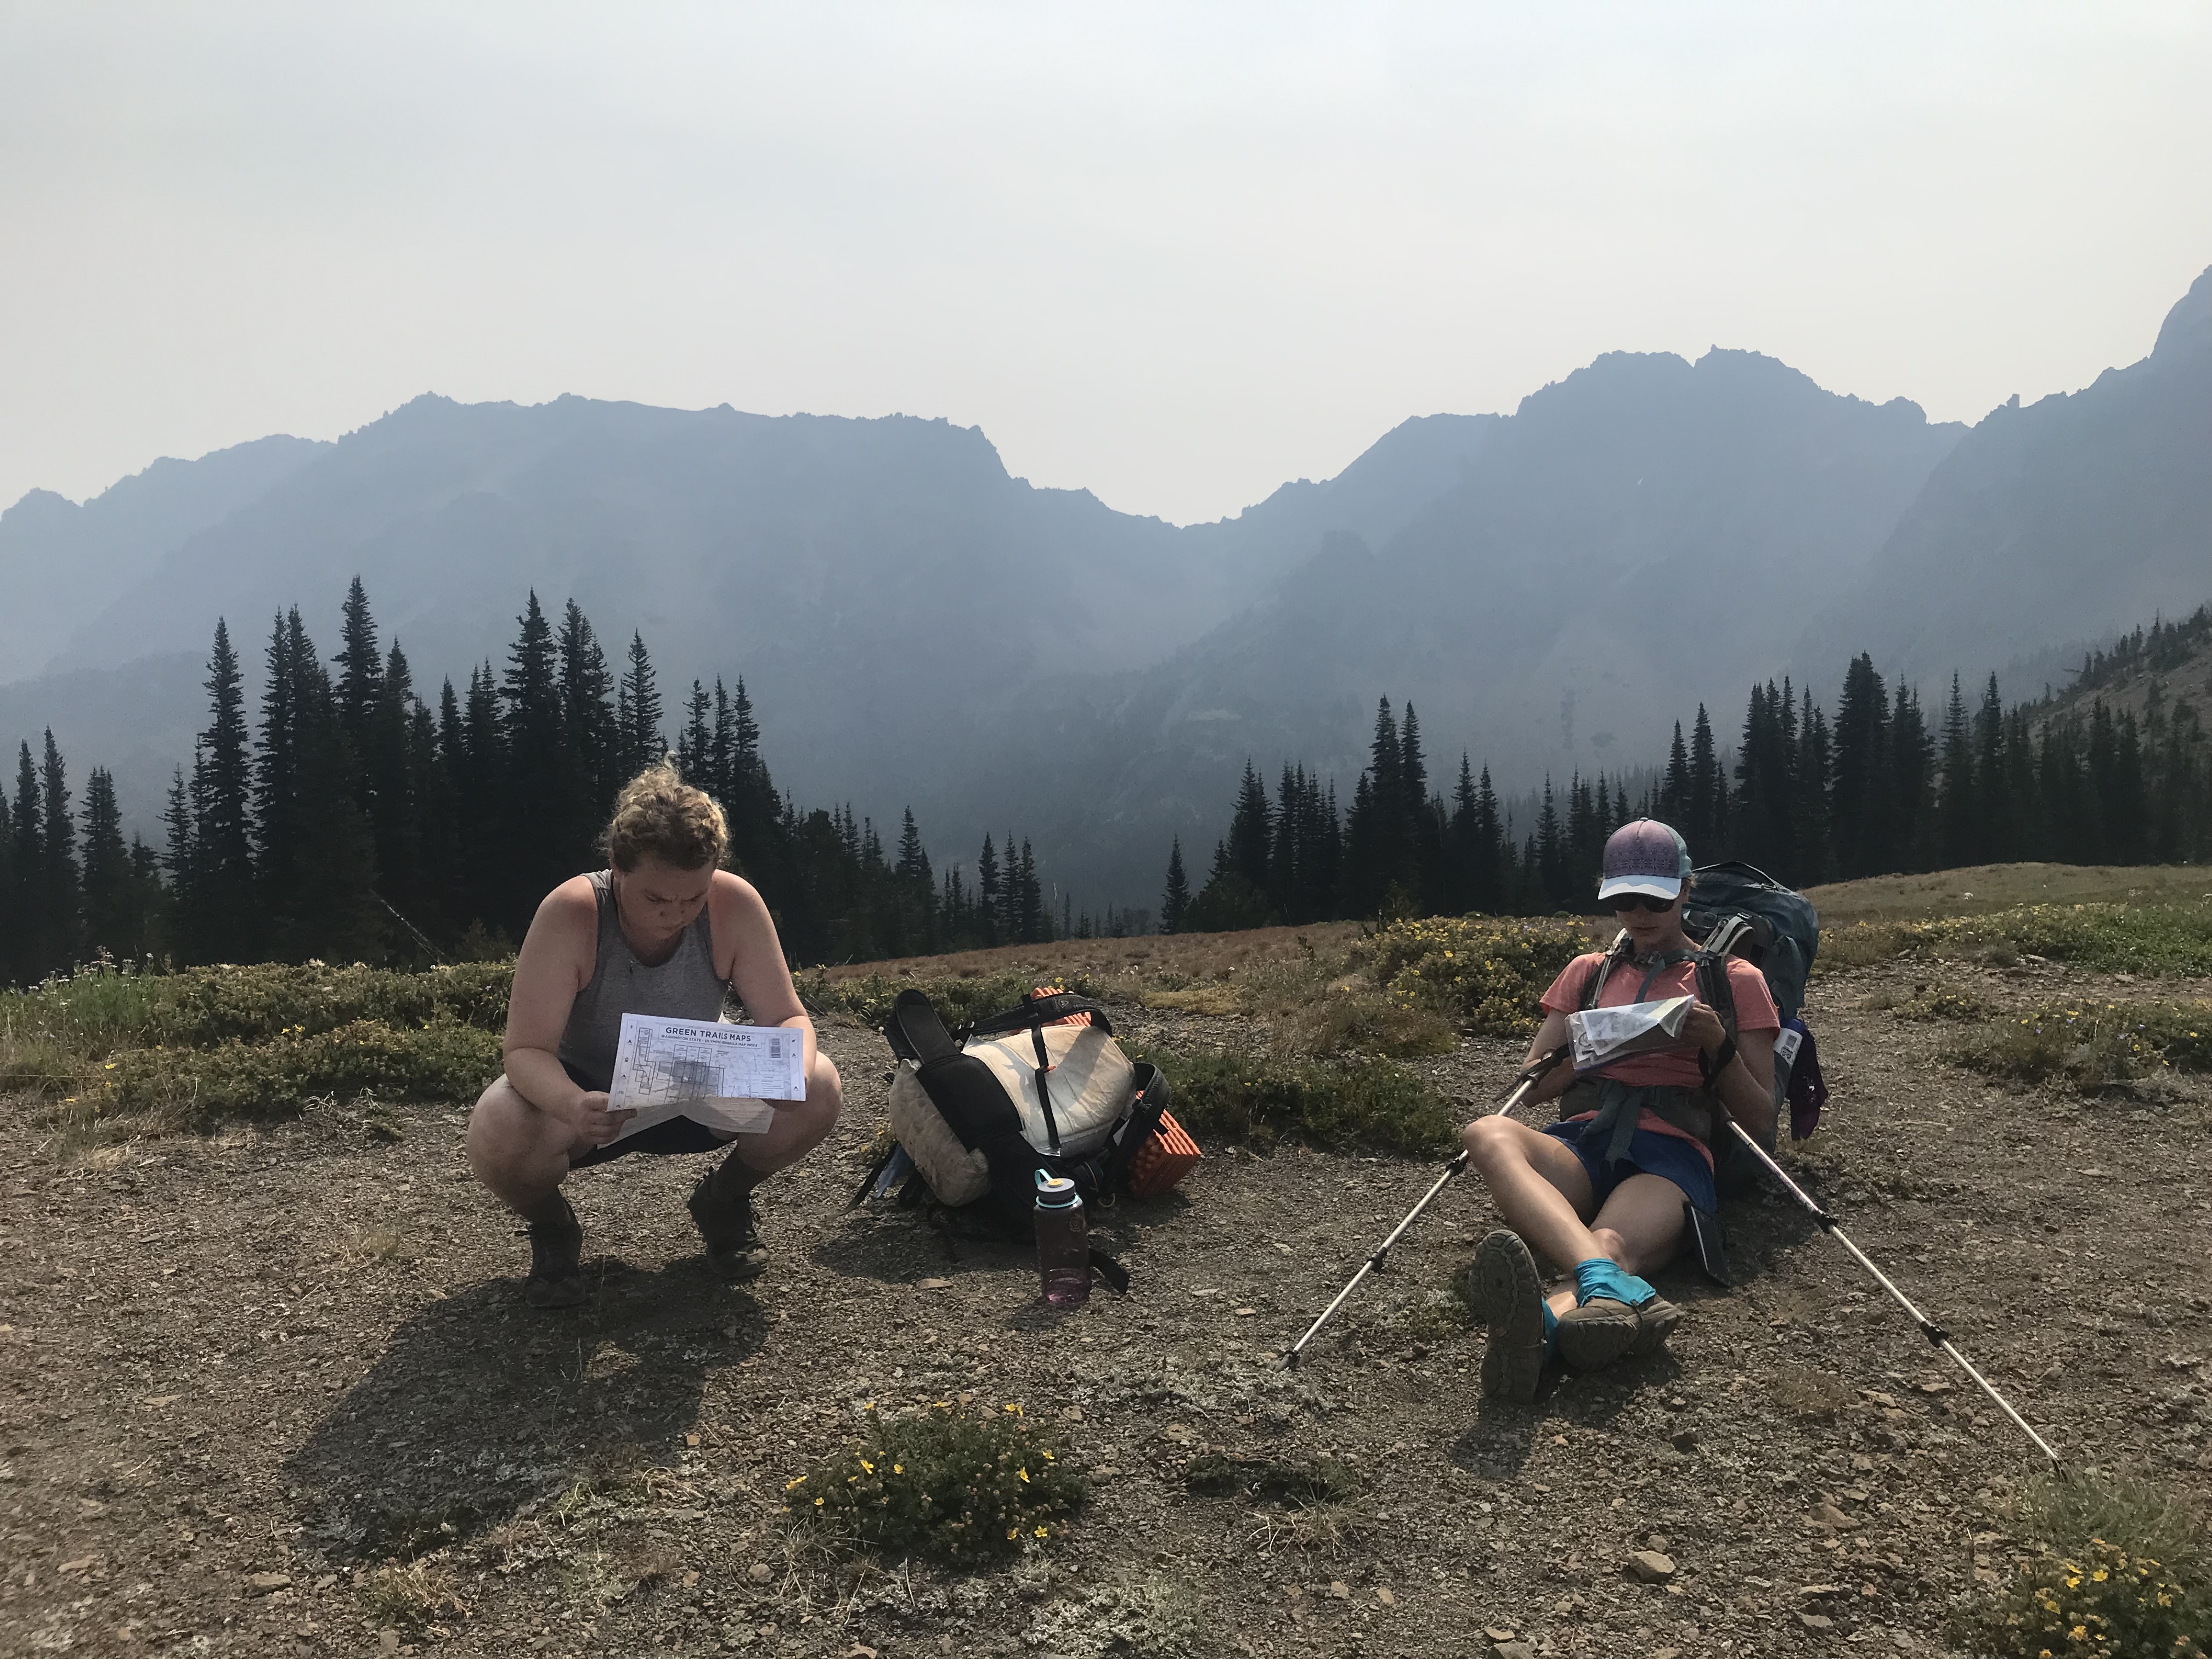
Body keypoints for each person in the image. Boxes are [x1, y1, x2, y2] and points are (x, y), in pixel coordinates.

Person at [466, 761, 843, 1308]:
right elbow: (525, 1051)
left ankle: (724, 1199)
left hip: (700, 1082)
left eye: (692, 899)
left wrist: (794, 1070)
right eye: (655, 900)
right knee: (499, 1127)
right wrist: (572, 1103)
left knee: (821, 1087)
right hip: (591, 1095)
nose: (675, 915)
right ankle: (552, 1226)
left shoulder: (734, 903)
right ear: (616, 867)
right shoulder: (572, 913)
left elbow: (788, 1015)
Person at [1458, 819, 1778, 1401]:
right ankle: (1615, 1293)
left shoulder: (1735, 980)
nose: (1639, 912)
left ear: (1686, 890)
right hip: (1582, 1139)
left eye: (1655, 897)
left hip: (1672, 1151)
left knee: (1611, 1240)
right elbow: (1530, 1091)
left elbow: (1761, 1118)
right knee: (1487, 1132)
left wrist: (1714, 1043)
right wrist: (1589, 1046)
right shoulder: (1587, 973)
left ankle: (1545, 1328)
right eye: (1624, 898)